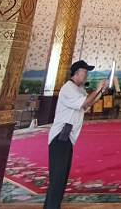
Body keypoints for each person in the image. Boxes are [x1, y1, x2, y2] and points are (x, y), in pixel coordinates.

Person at [44, 60, 107, 209]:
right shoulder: (68, 88)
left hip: (68, 137)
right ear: (77, 73)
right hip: (60, 137)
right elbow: (84, 102)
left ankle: (53, 205)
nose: (86, 75)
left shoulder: (79, 89)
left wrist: (100, 91)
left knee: (62, 176)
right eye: (85, 72)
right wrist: (97, 89)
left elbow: (88, 103)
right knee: (58, 176)